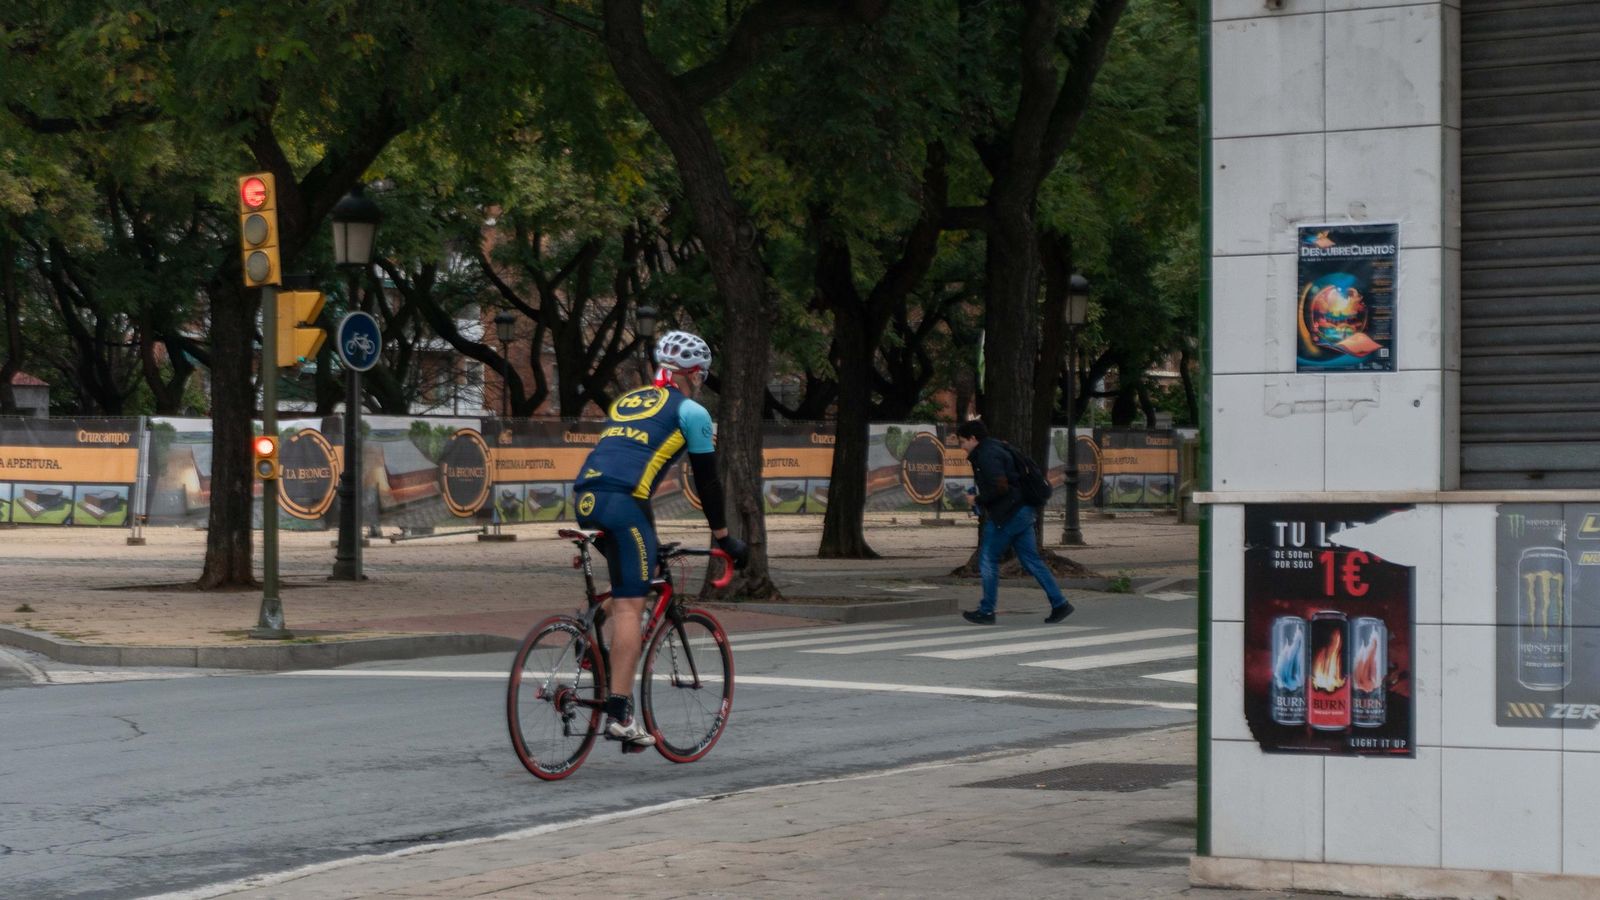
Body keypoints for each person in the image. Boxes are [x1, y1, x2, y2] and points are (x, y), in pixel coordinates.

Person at [572, 330, 749, 747]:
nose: (701, 381)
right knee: (633, 604)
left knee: (635, 578)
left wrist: (649, 536)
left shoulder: (627, 402)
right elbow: (707, 482)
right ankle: (619, 711)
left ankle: (587, 633)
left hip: (586, 497)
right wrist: (723, 538)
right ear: (693, 374)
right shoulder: (692, 412)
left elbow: (634, 473)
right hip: (622, 504)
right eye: (702, 375)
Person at [955, 419, 1074, 625]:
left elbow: (1000, 487)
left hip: (1008, 513)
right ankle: (1060, 603)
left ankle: (986, 610)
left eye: (962, 441)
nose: (961, 446)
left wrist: (978, 500)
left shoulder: (986, 455)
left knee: (988, 559)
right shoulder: (999, 447)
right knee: (1031, 560)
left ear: (973, 439)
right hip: (1024, 510)